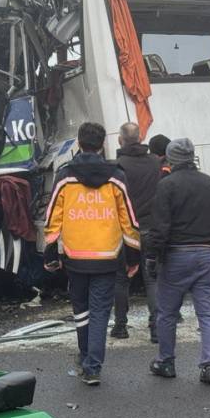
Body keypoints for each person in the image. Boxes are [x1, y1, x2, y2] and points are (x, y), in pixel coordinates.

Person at [44, 122, 140, 385]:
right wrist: (133, 256)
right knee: (99, 311)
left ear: (78, 143)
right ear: (102, 145)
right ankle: (93, 367)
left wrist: (50, 252)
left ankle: (85, 355)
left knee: (81, 310)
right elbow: (129, 220)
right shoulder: (116, 177)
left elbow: (53, 216)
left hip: (75, 256)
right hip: (107, 257)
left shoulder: (65, 176)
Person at [145, 138, 210, 384]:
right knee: (207, 314)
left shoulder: (167, 185)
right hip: (208, 254)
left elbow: (160, 226)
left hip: (177, 255)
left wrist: (152, 256)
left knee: (167, 313)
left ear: (170, 159)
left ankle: (166, 361)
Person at [111, 122, 162, 341]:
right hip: (151, 227)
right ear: (140, 138)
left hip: (126, 231)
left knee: (121, 279)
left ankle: (120, 326)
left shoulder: (117, 167)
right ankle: (156, 328)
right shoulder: (155, 162)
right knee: (152, 279)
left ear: (120, 140)